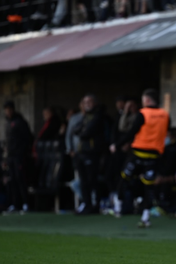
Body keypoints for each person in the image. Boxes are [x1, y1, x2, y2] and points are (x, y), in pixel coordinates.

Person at [111, 89, 170, 228]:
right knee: (148, 187)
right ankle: (145, 217)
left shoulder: (143, 113)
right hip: (154, 156)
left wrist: (117, 145)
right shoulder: (165, 114)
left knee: (124, 177)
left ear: (147, 100)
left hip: (138, 153)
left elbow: (132, 132)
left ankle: (118, 206)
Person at [73, 94, 105, 214]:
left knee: (92, 180)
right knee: (83, 181)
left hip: (92, 153)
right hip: (82, 152)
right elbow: (75, 130)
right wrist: (83, 130)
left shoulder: (98, 116)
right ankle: (87, 204)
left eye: (89, 102)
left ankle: (95, 204)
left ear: (95, 103)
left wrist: (83, 131)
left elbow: (87, 132)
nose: (87, 104)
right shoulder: (85, 117)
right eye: (85, 102)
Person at [3, 101, 33, 214]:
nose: (8, 111)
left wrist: (22, 151)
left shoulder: (20, 122)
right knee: (12, 180)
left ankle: (26, 204)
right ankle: (15, 204)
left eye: (10, 109)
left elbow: (28, 138)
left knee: (21, 179)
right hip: (10, 157)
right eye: (6, 109)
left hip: (19, 156)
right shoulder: (7, 123)